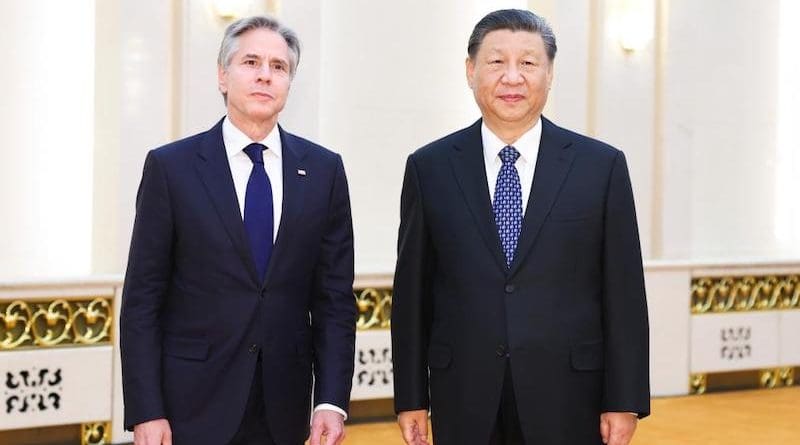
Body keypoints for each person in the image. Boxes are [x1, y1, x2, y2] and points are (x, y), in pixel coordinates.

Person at [391, 9, 650, 445]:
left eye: (528, 63)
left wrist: (623, 398)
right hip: (464, 397)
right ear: (471, 70)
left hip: (570, 397)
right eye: (496, 62)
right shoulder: (430, 168)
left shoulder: (600, 167)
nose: (512, 77)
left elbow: (624, 293)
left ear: (549, 75)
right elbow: (413, 295)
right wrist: (411, 397)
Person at [120, 16, 356, 445]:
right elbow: (142, 300)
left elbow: (334, 301)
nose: (266, 74)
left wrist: (331, 401)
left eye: (279, 67)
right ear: (223, 75)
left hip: (285, 408)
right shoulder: (171, 168)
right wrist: (146, 409)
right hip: (188, 407)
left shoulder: (324, 171)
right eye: (251, 62)